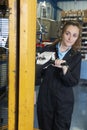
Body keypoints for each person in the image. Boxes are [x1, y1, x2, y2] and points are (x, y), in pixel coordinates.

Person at [36, 21, 82, 130]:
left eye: (74, 35)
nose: (70, 38)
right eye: (68, 33)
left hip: (64, 101)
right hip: (45, 98)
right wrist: (38, 64)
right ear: (62, 33)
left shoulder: (76, 56)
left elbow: (74, 81)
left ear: (77, 38)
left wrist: (65, 69)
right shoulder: (47, 50)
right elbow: (36, 76)